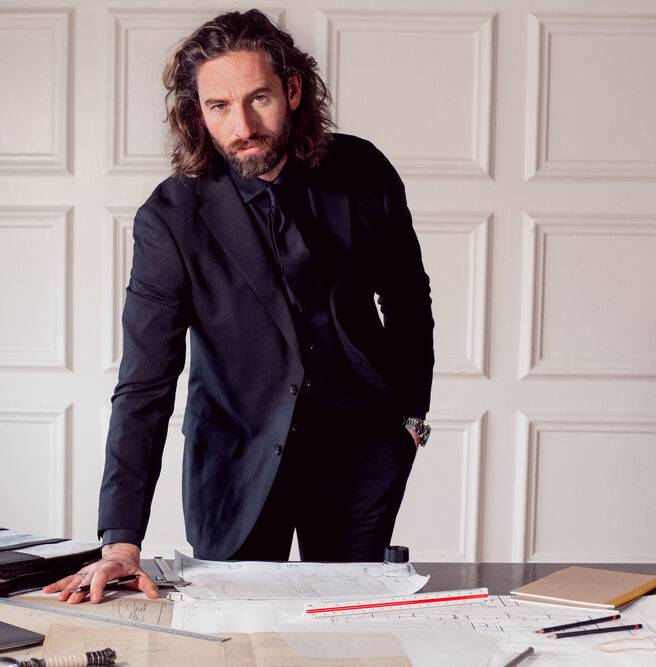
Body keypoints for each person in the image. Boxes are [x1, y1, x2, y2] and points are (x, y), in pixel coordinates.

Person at [45, 9, 434, 604]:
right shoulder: (170, 219)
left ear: (293, 90)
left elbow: (407, 298)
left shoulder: (362, 171)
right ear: (197, 114)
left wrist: (410, 419)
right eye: (219, 106)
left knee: (352, 625)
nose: (243, 125)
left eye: (259, 98)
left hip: (359, 456)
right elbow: (145, 384)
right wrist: (120, 542)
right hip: (233, 465)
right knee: (236, 636)